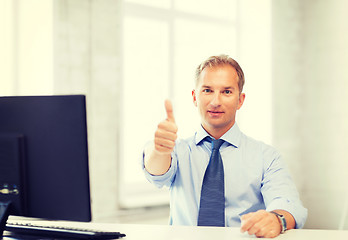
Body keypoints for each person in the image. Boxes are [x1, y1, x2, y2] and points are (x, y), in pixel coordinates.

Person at [141, 55, 307, 238]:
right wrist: (159, 150)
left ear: (240, 100)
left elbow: (288, 203)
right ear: (195, 97)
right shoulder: (177, 150)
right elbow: (156, 172)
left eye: (226, 91)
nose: (215, 102)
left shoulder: (266, 156)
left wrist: (277, 220)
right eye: (207, 90)